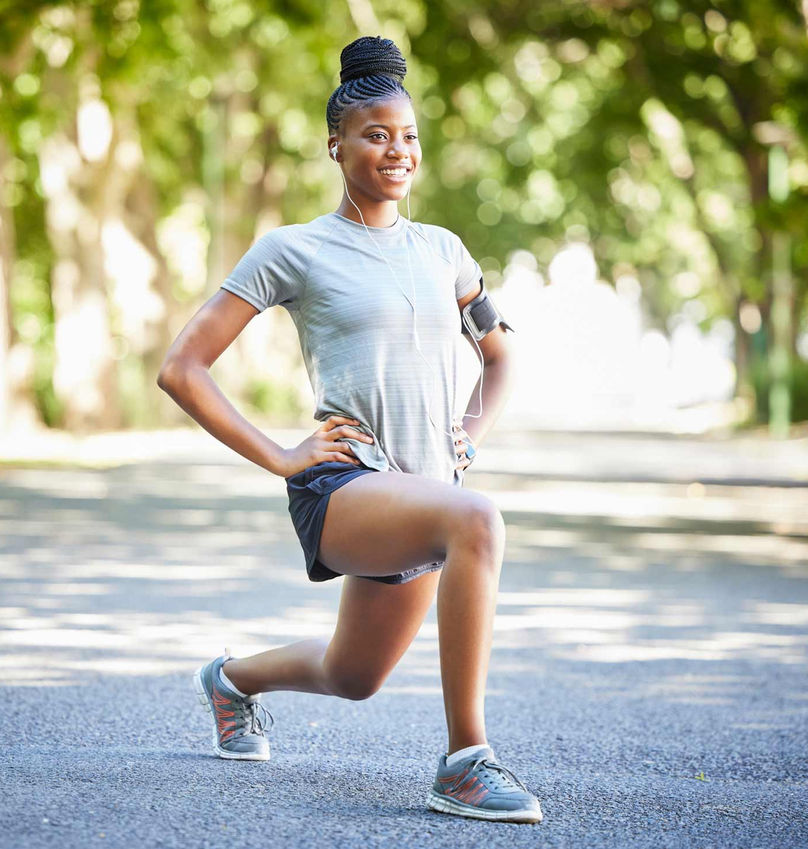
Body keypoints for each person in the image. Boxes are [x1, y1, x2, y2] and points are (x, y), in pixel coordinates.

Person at [157, 35, 541, 824]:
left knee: (353, 674)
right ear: (336, 145)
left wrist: (470, 431)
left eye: (406, 135)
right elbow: (182, 368)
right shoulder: (293, 249)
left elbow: (500, 359)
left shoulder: (446, 252)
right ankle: (466, 762)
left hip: (423, 489)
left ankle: (229, 680)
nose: (395, 150)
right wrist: (283, 456)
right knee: (478, 518)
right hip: (343, 487)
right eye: (374, 135)